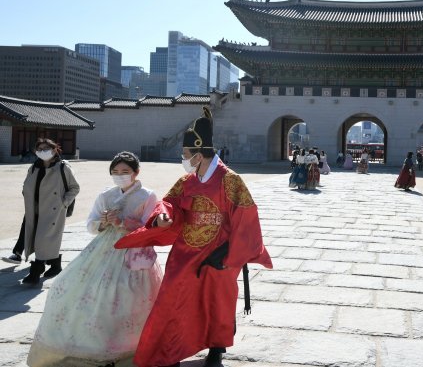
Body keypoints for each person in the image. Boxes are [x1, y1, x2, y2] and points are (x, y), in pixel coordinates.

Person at [114, 107, 272, 367]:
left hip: (219, 252)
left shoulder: (231, 181)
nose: (183, 158)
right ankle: (170, 348)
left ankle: (216, 349)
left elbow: (247, 222)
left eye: (185, 154)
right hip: (185, 251)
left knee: (216, 301)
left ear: (198, 155)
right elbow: (168, 204)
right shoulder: (186, 181)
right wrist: (162, 217)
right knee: (173, 297)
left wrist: (229, 256)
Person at [27, 151, 163, 367]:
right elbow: (91, 225)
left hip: (133, 250)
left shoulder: (148, 196)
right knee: (77, 289)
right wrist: (104, 222)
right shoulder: (106, 195)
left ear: (136, 173)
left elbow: (150, 226)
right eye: (115, 172)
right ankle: (92, 345)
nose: (120, 175)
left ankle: (131, 346)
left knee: (128, 295)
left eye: (125, 172)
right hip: (104, 248)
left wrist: (123, 222)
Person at [17, 138, 80, 284]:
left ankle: (36, 270)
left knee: (43, 238)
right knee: (39, 238)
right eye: (39, 149)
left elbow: (74, 188)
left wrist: (64, 203)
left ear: (54, 149)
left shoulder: (63, 167)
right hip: (35, 209)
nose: (42, 151)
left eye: (46, 148)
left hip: (54, 209)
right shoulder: (33, 167)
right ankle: (56, 264)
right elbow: (26, 184)